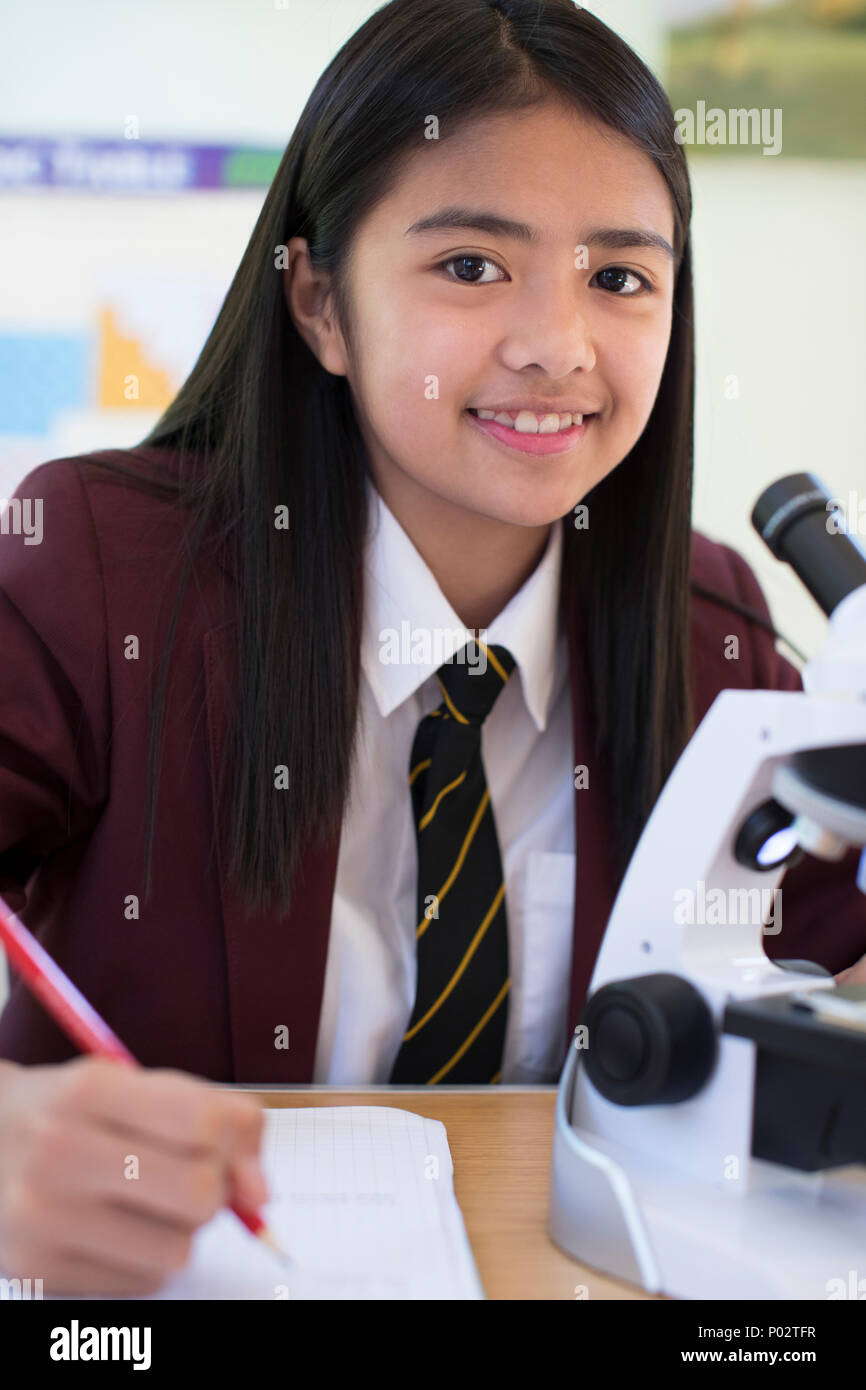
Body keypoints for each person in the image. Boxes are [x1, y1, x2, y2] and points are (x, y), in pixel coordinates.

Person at [0, 0, 863, 1294]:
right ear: (319, 302)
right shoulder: (89, 564)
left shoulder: (717, 635)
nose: (555, 346)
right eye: (470, 265)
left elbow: (814, 957)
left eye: (618, 276)